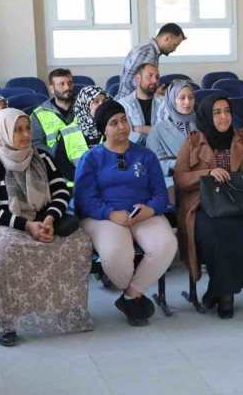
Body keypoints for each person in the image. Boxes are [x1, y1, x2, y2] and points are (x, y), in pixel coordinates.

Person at [0, 108, 93, 347]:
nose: (26, 134)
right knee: (7, 250)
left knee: (78, 242)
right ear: (3, 132)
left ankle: (67, 311)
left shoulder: (41, 158)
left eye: (27, 128)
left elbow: (60, 193)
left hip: (41, 221)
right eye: (18, 129)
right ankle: (4, 321)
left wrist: (49, 220)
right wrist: (26, 225)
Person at [173, 94, 243, 319]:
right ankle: (225, 296)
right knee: (218, 235)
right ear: (206, 115)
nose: (224, 117)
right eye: (217, 112)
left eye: (227, 111)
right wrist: (207, 173)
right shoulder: (193, 141)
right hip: (205, 206)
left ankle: (217, 289)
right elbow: (180, 178)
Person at [74, 101, 176, 327]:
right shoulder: (91, 158)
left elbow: (161, 195)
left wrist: (150, 209)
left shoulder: (145, 155)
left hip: (143, 214)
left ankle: (131, 295)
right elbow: (84, 199)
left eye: (124, 120)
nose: (121, 127)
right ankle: (133, 296)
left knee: (166, 244)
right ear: (103, 129)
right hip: (103, 217)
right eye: (113, 123)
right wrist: (110, 214)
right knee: (116, 254)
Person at [30, 68, 89, 183]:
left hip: (84, 163)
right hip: (55, 167)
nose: (67, 87)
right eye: (62, 84)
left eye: (69, 83)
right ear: (52, 88)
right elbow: (36, 144)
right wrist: (59, 155)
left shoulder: (84, 107)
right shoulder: (39, 113)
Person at [146, 80, 198, 185]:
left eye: (191, 97)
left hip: (204, 177)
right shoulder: (158, 130)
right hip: (173, 180)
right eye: (182, 98)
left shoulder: (203, 123)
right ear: (171, 100)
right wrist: (179, 164)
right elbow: (155, 164)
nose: (187, 102)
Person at [117, 23, 185, 99]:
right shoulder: (147, 52)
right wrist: (155, 93)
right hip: (128, 107)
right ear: (167, 38)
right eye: (175, 45)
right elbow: (129, 82)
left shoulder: (152, 52)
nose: (174, 49)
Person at [117, 63, 164, 145]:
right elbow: (125, 135)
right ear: (138, 78)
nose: (154, 80)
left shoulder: (165, 102)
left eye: (157, 77)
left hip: (161, 153)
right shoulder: (123, 104)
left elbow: (167, 132)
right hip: (133, 153)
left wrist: (138, 129)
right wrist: (154, 132)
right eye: (150, 75)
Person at [72, 85, 110, 149]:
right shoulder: (68, 132)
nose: (101, 105)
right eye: (96, 101)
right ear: (85, 105)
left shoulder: (113, 126)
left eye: (104, 101)